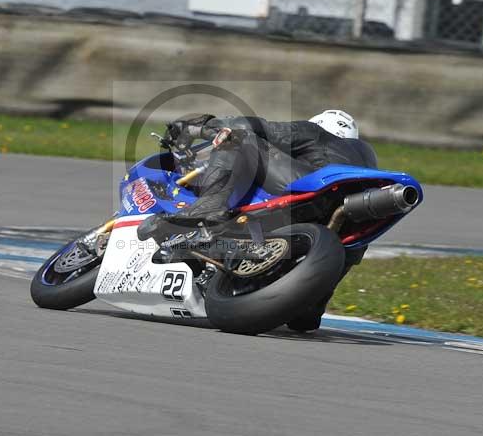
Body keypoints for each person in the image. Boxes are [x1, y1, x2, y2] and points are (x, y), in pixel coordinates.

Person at [139, 110, 377, 332]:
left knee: (238, 137)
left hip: (310, 188)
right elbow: (304, 323)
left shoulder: (316, 132)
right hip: (347, 218)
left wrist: (193, 127)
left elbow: (248, 125)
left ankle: (206, 211)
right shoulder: (364, 158)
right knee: (307, 315)